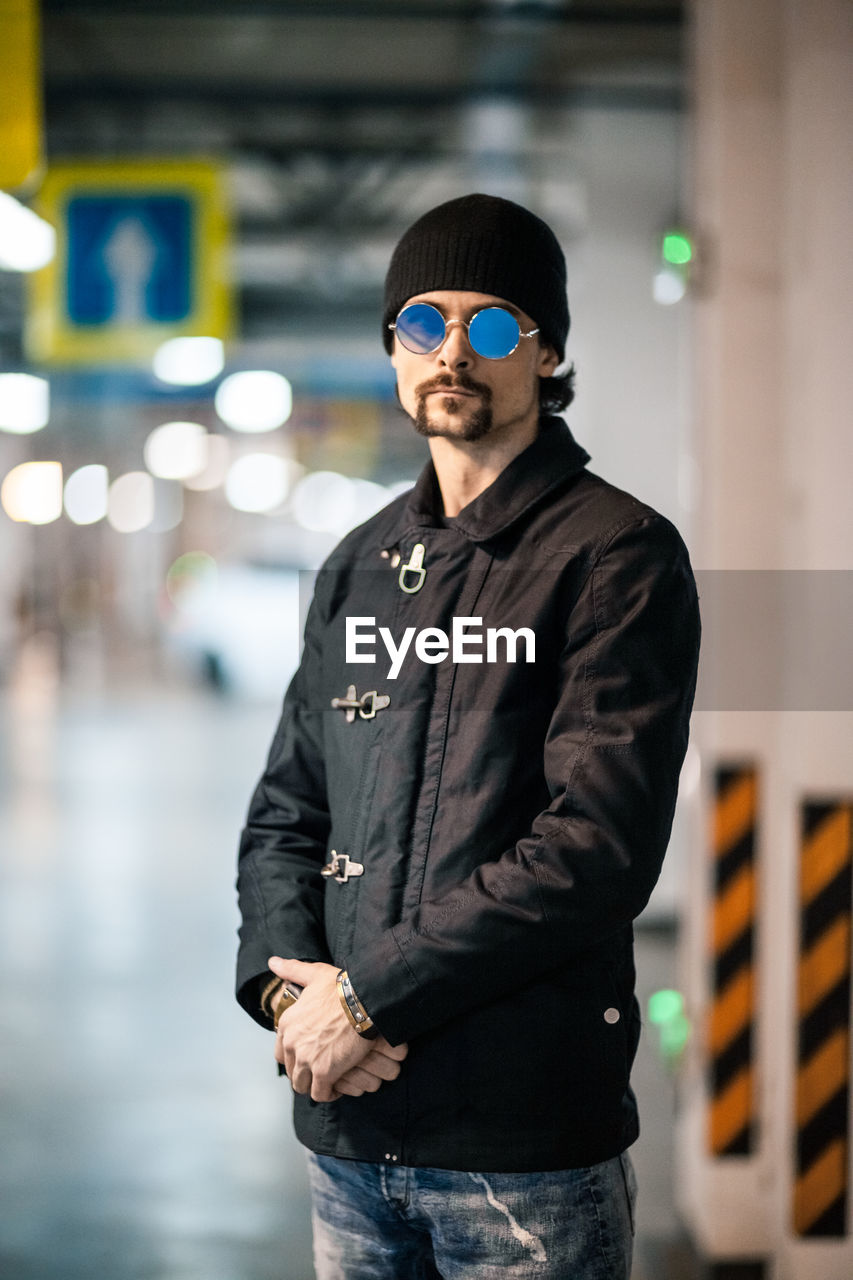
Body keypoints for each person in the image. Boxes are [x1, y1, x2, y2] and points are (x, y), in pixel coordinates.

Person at [236, 193, 700, 1280]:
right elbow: (286, 812)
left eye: (492, 325)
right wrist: (283, 991)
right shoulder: (356, 563)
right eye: (422, 322)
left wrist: (363, 998)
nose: (453, 350)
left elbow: (594, 848)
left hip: (521, 1144)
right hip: (347, 1125)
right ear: (393, 350)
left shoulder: (615, 553)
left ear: (545, 354)